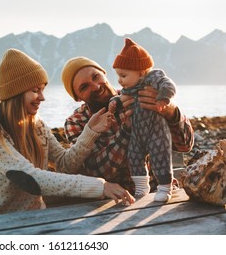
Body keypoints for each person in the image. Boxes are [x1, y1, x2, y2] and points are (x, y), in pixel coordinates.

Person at [0, 48, 135, 218]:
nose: (42, 97)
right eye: (36, 90)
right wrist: (100, 186)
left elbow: (65, 165)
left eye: (42, 89)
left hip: (36, 220)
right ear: (16, 92)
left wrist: (90, 132)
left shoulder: (37, 126)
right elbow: (28, 178)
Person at [61, 47, 194, 198]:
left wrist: (171, 111)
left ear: (104, 74)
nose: (96, 86)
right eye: (84, 87)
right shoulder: (76, 122)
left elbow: (185, 145)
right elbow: (97, 170)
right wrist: (126, 130)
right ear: (77, 97)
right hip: (118, 202)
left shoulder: (143, 93)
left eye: (96, 76)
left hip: (162, 192)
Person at [109, 38, 177, 202]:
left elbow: (168, 85)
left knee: (160, 158)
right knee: (134, 157)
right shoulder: (128, 89)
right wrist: (113, 104)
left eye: (123, 75)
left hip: (156, 132)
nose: (119, 80)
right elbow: (118, 98)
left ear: (141, 72)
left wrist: (163, 99)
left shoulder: (152, 79)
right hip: (137, 135)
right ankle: (141, 187)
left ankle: (165, 188)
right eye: (118, 75)